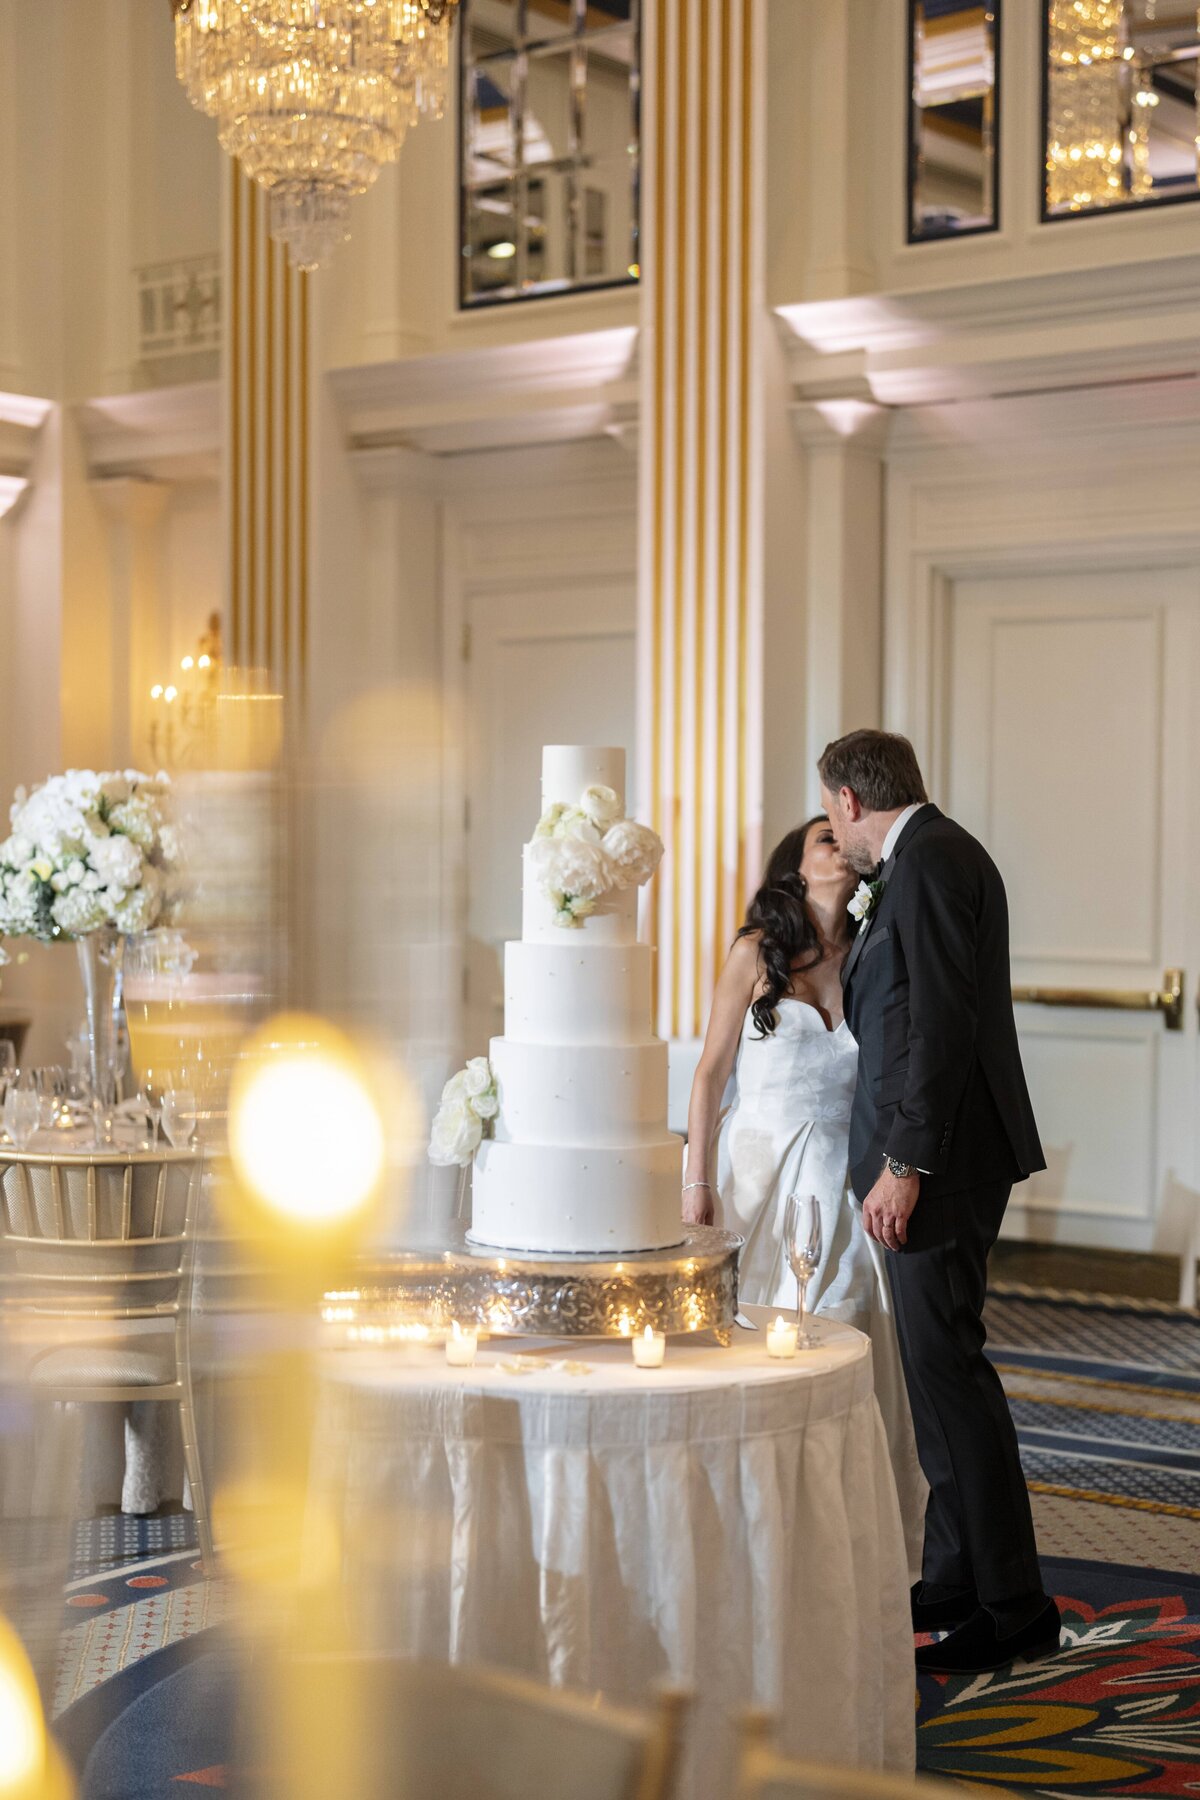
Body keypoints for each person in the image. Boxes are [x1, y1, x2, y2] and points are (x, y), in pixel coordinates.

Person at [817, 727, 1059, 1676]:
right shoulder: (930, 856)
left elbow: (942, 1030)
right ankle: (956, 1573)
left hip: (941, 1166)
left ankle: (1014, 1603)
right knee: (932, 1373)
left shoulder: (929, 861)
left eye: (833, 816)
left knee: (952, 1376)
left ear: (846, 800)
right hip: (941, 1161)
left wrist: (905, 1164)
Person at [683, 816, 927, 1574]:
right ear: (795, 868)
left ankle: (843, 1529)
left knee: (846, 1338)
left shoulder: (871, 953)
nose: (841, 849)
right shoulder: (755, 951)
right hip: (755, 1175)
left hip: (843, 1176)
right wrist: (697, 1179)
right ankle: (747, 1514)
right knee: (752, 1342)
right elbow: (710, 1073)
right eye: (827, 839)